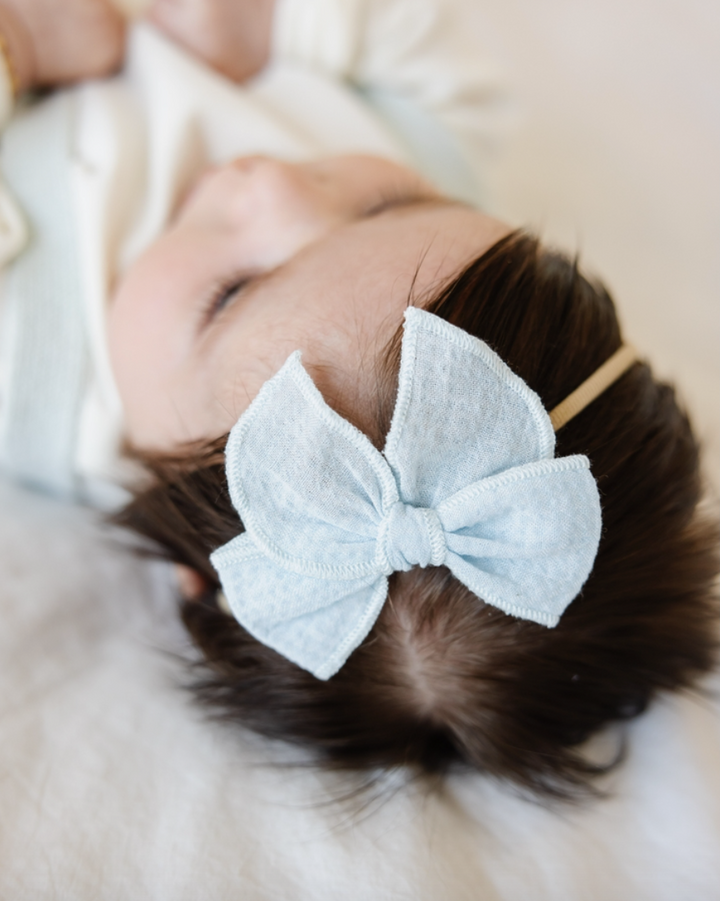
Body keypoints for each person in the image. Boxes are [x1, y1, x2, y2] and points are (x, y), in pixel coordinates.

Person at [0, 0, 717, 799]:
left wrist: (19, 48)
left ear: (192, 570)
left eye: (231, 291)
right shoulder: (420, 159)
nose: (272, 182)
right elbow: (428, 60)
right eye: (390, 206)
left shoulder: (26, 367)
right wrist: (276, 27)